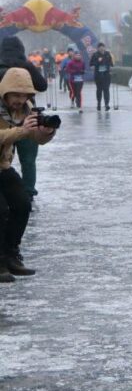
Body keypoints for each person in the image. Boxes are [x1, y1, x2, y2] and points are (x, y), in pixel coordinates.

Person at [0, 68, 57, 283]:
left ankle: (11, 255)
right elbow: (18, 133)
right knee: (1, 210)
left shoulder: (26, 108)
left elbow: (36, 139)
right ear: (5, 92)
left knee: (22, 204)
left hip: (2, 165)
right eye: (15, 95)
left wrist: (45, 132)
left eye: (24, 96)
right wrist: (21, 131)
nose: (20, 100)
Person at [0, 37, 48, 203]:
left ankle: (7, 192)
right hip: (25, 114)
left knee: (5, 156)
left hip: (4, 119)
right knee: (28, 159)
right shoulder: (26, 65)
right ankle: (27, 192)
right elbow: (42, 85)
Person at [89, 42, 115, 111]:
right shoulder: (95, 55)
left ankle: (107, 104)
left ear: (104, 47)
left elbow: (111, 63)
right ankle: (99, 104)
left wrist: (111, 67)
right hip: (98, 75)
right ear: (98, 48)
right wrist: (97, 61)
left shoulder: (107, 54)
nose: (101, 48)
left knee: (106, 90)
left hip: (106, 75)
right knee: (99, 90)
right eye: (100, 47)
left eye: (103, 47)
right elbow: (91, 64)